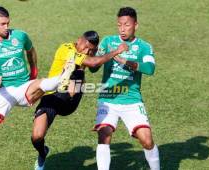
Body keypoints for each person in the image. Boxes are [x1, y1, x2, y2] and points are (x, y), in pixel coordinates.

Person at [0, 6, 69, 170]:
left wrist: (34, 68)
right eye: (3, 24)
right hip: (3, 92)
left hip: (25, 86)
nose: (6, 27)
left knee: (42, 83)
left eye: (8, 23)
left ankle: (64, 76)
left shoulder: (20, 36)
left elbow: (31, 51)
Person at [31, 31, 128, 170]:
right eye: (86, 47)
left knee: (77, 73)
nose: (87, 51)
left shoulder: (86, 52)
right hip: (51, 97)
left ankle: (70, 83)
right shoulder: (66, 49)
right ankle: (42, 153)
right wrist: (117, 51)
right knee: (37, 136)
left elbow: (95, 65)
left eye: (91, 50)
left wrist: (102, 53)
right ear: (79, 40)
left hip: (70, 100)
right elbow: (93, 63)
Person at [90, 7, 160, 170]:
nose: (122, 29)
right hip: (108, 99)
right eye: (119, 25)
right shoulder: (108, 42)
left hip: (132, 100)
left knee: (147, 141)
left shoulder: (144, 47)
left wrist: (125, 62)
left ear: (136, 25)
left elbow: (150, 69)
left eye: (126, 25)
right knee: (104, 134)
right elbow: (93, 68)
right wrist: (103, 54)